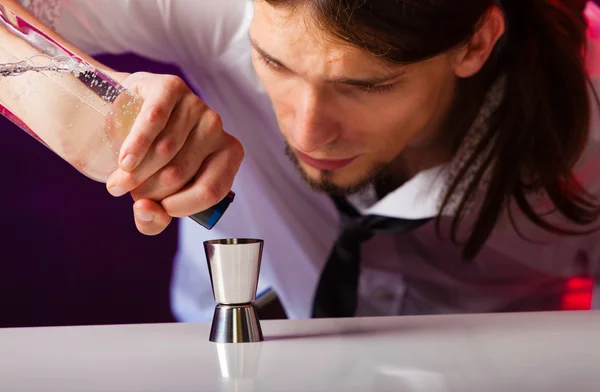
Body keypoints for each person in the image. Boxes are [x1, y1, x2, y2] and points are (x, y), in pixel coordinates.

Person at [5, 0, 600, 321]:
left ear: (474, 43)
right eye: (275, 64)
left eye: (367, 86)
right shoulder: (213, 10)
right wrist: (107, 102)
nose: (308, 130)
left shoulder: (590, 126)